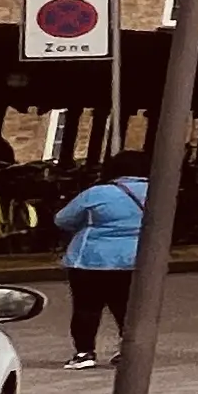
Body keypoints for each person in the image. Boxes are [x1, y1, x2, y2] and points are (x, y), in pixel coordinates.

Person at [51, 151, 149, 369]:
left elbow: (62, 219)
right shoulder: (156, 192)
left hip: (90, 258)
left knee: (87, 307)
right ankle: (129, 351)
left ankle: (84, 353)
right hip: (134, 259)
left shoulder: (97, 193)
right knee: (127, 308)